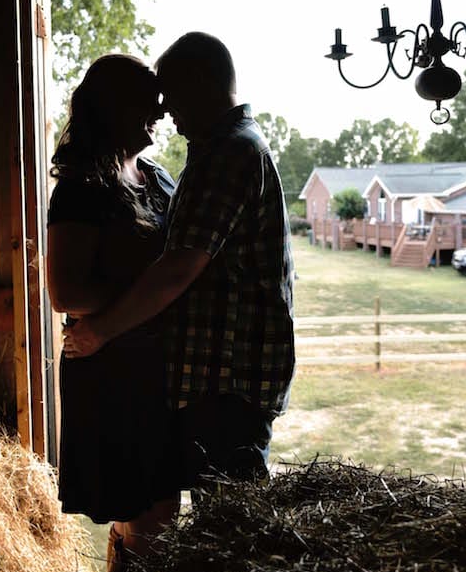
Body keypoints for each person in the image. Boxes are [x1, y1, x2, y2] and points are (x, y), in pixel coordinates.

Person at [64, 31, 295, 492]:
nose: (165, 109)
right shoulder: (222, 150)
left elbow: (180, 267)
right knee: (218, 521)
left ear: (201, 83)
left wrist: (99, 330)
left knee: (229, 526)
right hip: (220, 378)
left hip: (227, 381)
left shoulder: (229, 153)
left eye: (170, 93)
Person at [46, 54, 179, 572]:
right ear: (112, 107)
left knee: (151, 517)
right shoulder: (82, 189)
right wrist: (150, 300)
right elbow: (66, 290)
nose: (160, 111)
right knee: (147, 524)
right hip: (112, 374)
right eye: (147, 100)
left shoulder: (156, 178)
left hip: (156, 371)